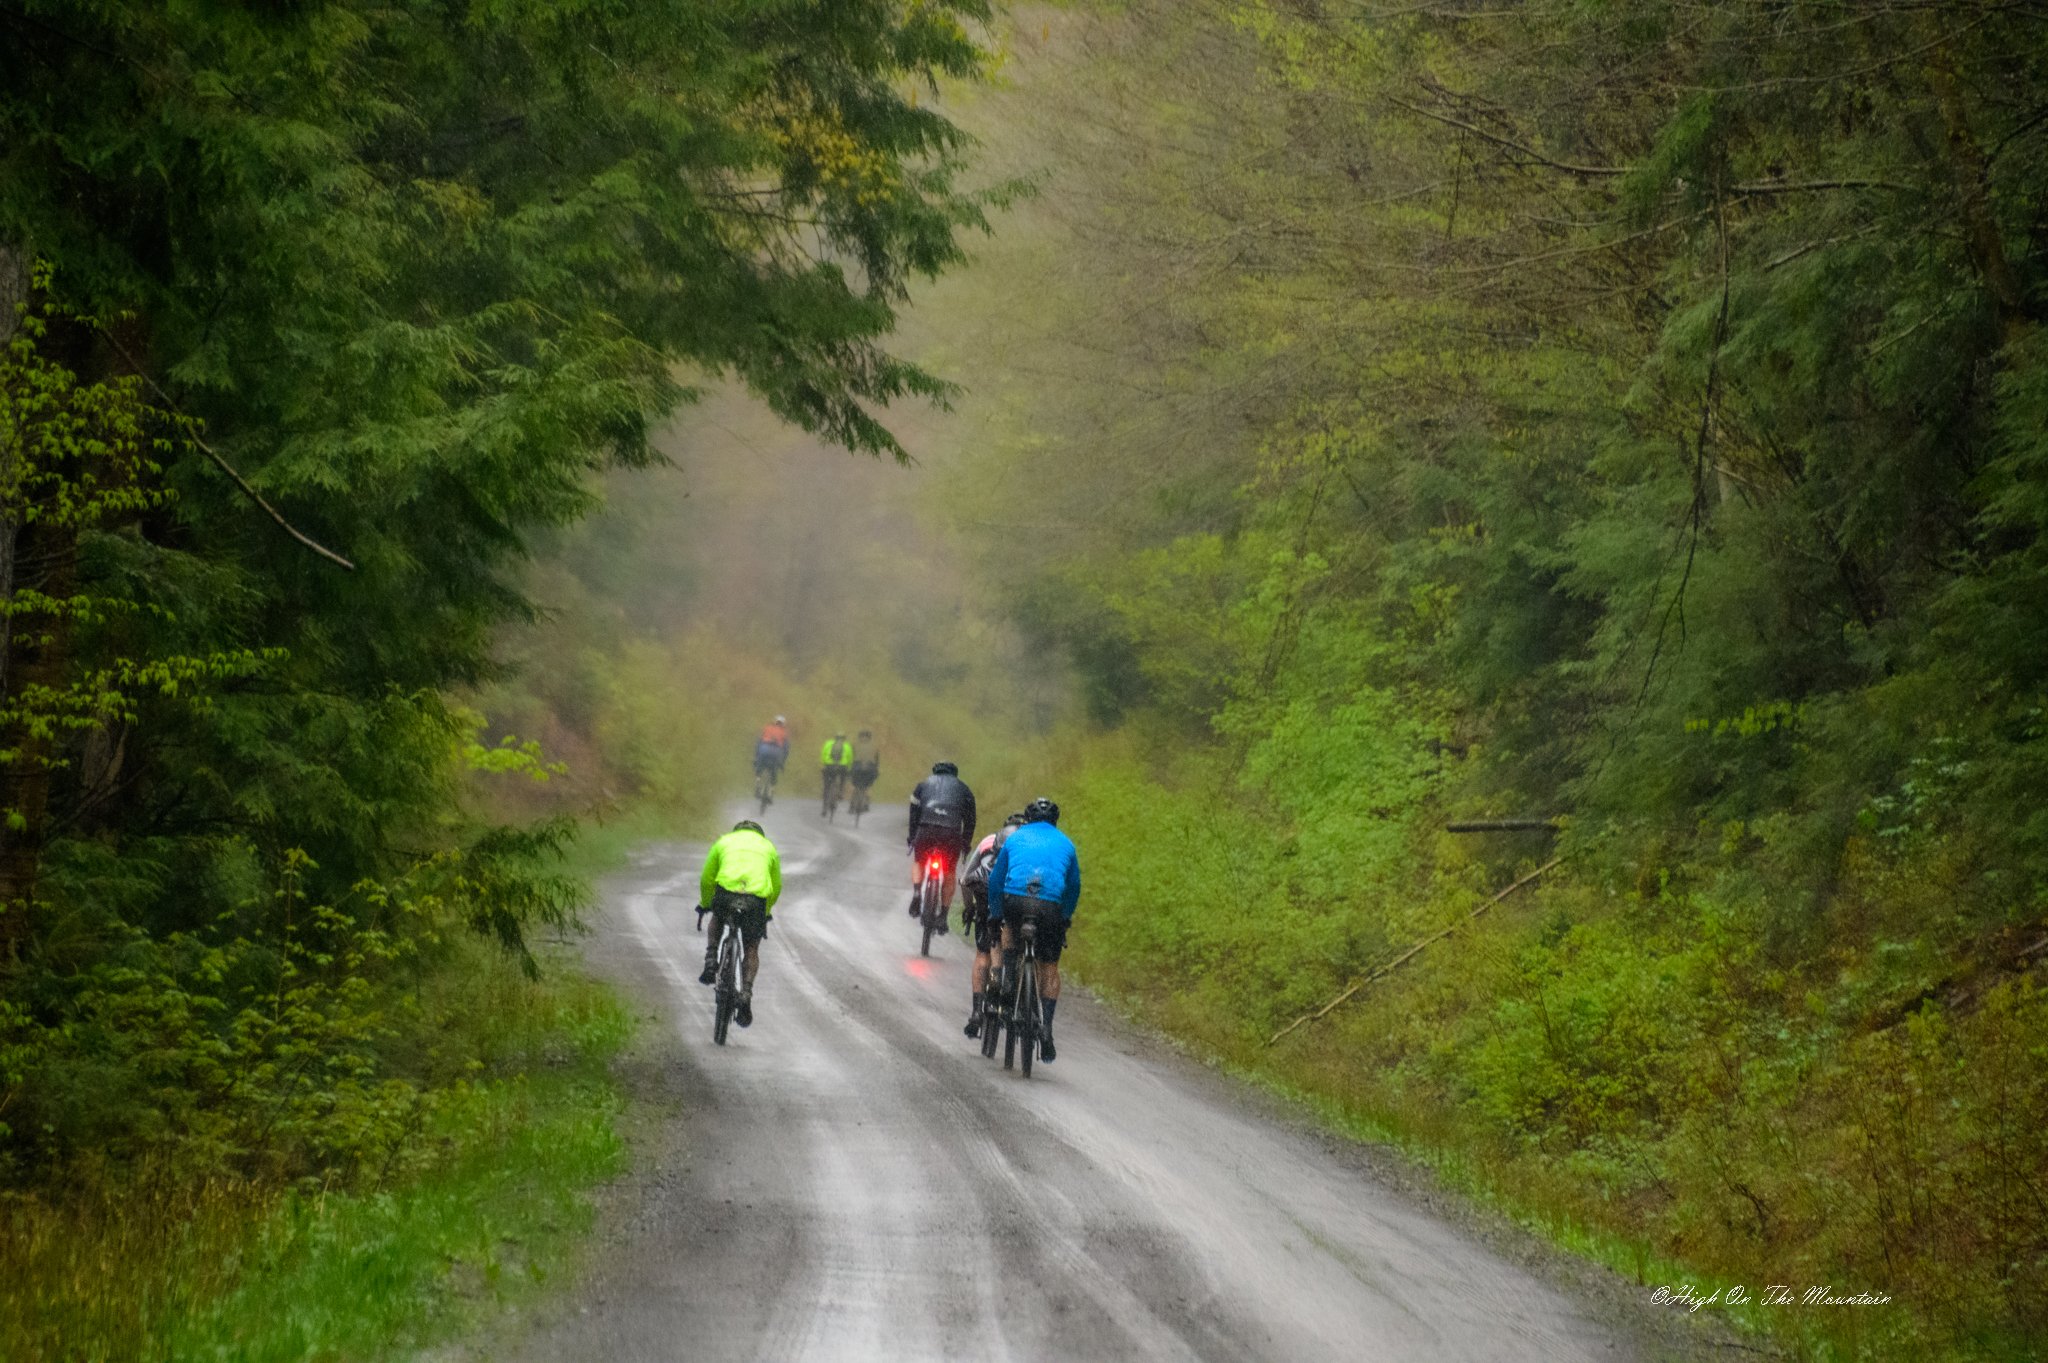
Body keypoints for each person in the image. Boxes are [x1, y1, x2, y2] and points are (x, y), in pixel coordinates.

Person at [987, 797, 1078, 1062]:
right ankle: (1046, 1028)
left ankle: (1008, 982)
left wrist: (995, 914)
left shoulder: (1015, 838)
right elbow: (1073, 887)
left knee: (1009, 932)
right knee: (1049, 966)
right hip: (1049, 905)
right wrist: (1065, 917)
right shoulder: (1066, 843)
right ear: (1055, 821)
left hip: (1016, 899)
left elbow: (996, 879)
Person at [696, 819, 783, 1028]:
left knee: (717, 916)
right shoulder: (768, 847)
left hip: (726, 893)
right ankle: (746, 992)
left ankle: (711, 958)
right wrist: (766, 911)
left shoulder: (723, 841)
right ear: (759, 834)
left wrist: (705, 903)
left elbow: (707, 878)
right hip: (755, 899)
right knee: (751, 947)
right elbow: (776, 886)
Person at [960, 811, 1026, 1038]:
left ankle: (977, 1011)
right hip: (1015, 898)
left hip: (986, 892)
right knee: (1008, 946)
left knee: (982, 952)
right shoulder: (1029, 844)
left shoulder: (989, 840)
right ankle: (1003, 987)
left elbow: (965, 879)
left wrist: (969, 908)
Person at [906, 761, 976, 929]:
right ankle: (943, 916)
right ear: (954, 774)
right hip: (951, 833)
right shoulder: (964, 789)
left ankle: (917, 893)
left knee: (919, 862)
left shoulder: (923, 785)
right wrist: (966, 843)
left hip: (926, 829)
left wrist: (912, 837)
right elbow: (970, 820)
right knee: (949, 871)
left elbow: (913, 814)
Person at [753, 715, 790, 800]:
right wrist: (782, 763)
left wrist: (756, 756)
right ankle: (770, 793)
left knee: (759, 768)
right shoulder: (784, 732)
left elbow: (759, 742)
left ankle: (758, 784)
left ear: (775, 722)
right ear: (783, 724)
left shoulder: (768, 728)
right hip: (776, 753)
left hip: (764, 750)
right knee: (774, 772)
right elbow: (786, 749)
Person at [819, 730, 854, 814]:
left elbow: (823, 754)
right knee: (843, 779)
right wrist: (849, 769)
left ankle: (824, 807)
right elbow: (850, 759)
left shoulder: (828, 743)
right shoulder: (847, 746)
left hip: (829, 766)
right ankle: (840, 792)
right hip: (842, 767)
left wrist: (824, 764)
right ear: (844, 739)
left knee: (827, 786)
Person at [848, 729, 881, 804]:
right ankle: (866, 801)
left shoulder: (855, 745)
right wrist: (876, 770)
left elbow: (850, 758)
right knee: (868, 786)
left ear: (859, 737)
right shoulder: (874, 746)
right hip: (870, 768)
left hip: (857, 767)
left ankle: (852, 803)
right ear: (870, 737)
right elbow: (877, 760)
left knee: (855, 784)